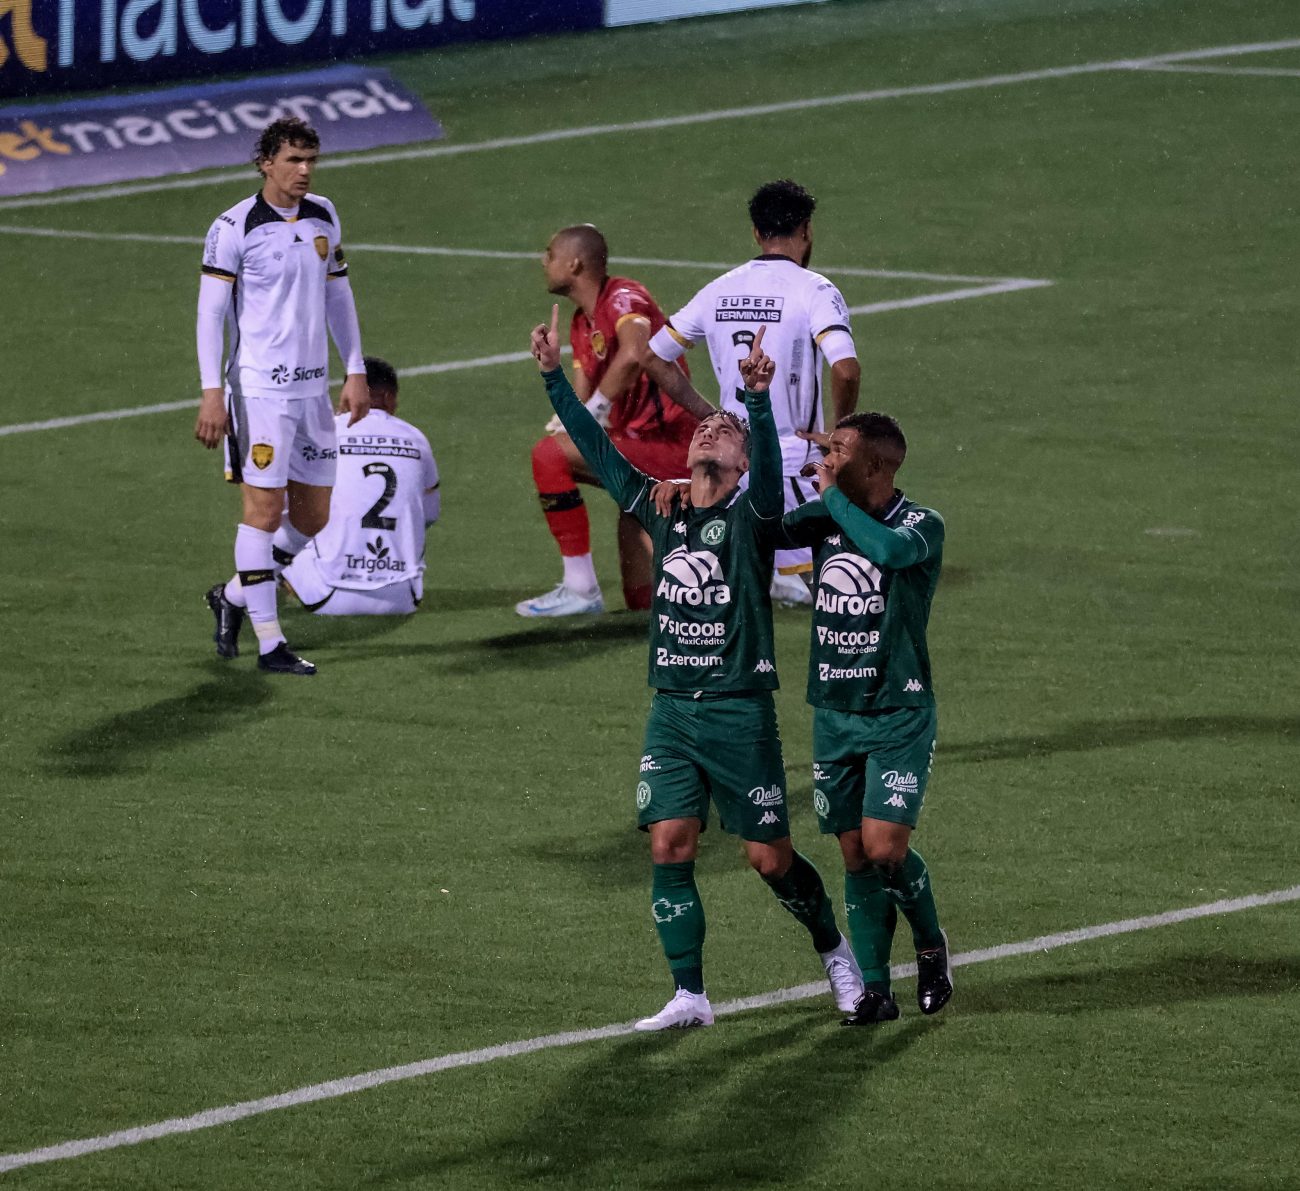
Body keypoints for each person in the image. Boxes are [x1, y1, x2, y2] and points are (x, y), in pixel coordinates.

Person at [530, 306, 863, 1031]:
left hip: (740, 710)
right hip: (673, 708)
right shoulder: (660, 506)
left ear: (743, 463)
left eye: (729, 435)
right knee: (668, 842)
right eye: (707, 427)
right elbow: (601, 450)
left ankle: (836, 951)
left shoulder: (752, 520)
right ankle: (689, 993)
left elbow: (775, 485)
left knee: (768, 859)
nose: (713, 432)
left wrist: (753, 403)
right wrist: (557, 379)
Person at [781, 412, 952, 1024]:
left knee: (885, 847)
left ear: (875, 465)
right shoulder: (829, 511)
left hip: (898, 711)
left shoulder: (920, 525)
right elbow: (766, 530)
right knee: (854, 853)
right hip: (835, 712)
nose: (828, 452)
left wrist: (828, 497)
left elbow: (884, 550)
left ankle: (930, 945)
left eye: (840, 448)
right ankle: (876, 991)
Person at [194, 116, 370, 675]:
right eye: (294, 160)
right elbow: (210, 314)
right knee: (263, 512)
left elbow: (338, 293)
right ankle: (270, 644)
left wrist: (357, 368)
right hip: (259, 391)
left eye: (311, 161)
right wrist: (211, 393)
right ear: (265, 162)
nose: (304, 171)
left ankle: (233, 596)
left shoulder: (324, 214)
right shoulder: (233, 226)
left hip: (313, 389)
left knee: (314, 518)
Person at [641, 179, 861, 607]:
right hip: (797, 465)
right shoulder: (814, 289)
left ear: (757, 233)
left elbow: (652, 358)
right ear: (807, 229)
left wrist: (710, 414)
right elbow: (847, 371)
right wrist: (841, 430)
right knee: (830, 587)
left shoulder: (719, 289)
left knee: (738, 572)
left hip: (735, 464)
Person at [516, 225, 698, 617]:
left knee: (549, 457)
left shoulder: (624, 297)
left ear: (574, 263)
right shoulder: (583, 323)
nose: (543, 261)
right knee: (642, 600)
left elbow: (634, 352)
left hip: (673, 443)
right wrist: (564, 418)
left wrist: (598, 407)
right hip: (640, 447)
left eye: (550, 253)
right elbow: (581, 397)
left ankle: (580, 587)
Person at [278, 357, 439, 616]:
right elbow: (430, 514)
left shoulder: (325, 431)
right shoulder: (416, 437)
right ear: (388, 397)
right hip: (403, 598)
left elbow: (287, 509)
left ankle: (259, 594)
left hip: (326, 596)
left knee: (269, 518)